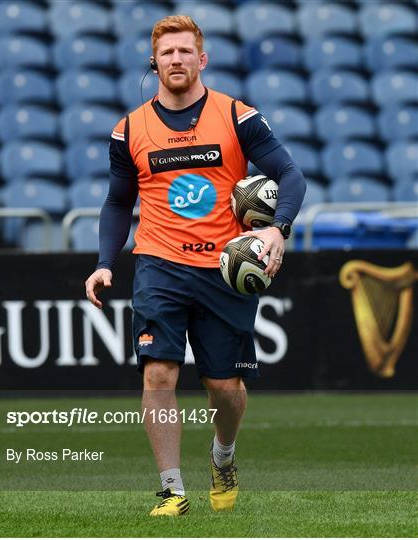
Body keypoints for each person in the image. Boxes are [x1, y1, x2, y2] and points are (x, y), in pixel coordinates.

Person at [85, 15, 306, 517]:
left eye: (186, 52)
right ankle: (171, 490)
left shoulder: (237, 116)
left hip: (227, 267)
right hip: (158, 265)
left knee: (225, 388)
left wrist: (276, 228)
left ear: (201, 59)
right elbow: (117, 203)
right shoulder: (129, 129)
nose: (177, 60)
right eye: (167, 53)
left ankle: (222, 456)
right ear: (155, 61)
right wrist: (104, 262)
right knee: (158, 375)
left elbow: (290, 174)